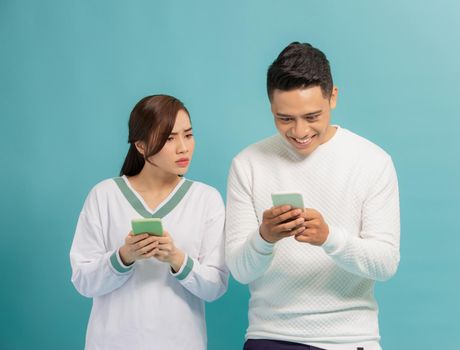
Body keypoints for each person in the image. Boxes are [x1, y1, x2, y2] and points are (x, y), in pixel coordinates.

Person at [225, 42, 400, 350]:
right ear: (271, 107)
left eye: (312, 116)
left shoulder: (372, 161)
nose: (299, 131)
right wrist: (264, 237)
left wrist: (329, 238)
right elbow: (240, 270)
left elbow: (385, 264)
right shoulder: (247, 164)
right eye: (285, 118)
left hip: (349, 340)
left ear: (333, 97)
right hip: (270, 337)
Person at [70, 94, 228, 350]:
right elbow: (83, 281)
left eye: (188, 135)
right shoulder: (104, 195)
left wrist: (176, 258)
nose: (183, 148)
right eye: (169, 138)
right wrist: (123, 257)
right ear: (141, 146)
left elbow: (215, 287)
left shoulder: (206, 199)